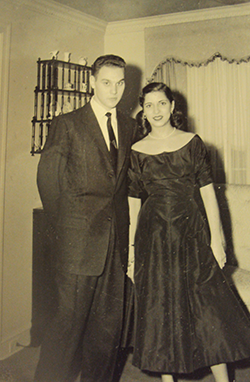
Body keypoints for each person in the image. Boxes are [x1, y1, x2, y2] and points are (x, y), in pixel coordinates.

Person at [127, 82, 250, 382]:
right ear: (144, 111)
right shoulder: (136, 150)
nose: (156, 111)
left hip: (192, 232)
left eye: (162, 104)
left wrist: (217, 241)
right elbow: (132, 203)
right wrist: (131, 252)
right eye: (150, 105)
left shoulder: (193, 142)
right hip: (153, 238)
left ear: (172, 107)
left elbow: (208, 194)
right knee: (160, 309)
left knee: (209, 309)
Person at [34, 54, 137, 382]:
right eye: (107, 82)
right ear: (92, 82)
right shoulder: (68, 123)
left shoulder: (130, 125)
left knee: (106, 337)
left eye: (120, 83)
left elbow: (124, 187)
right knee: (67, 332)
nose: (114, 90)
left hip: (115, 245)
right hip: (78, 245)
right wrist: (68, 229)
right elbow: (47, 180)